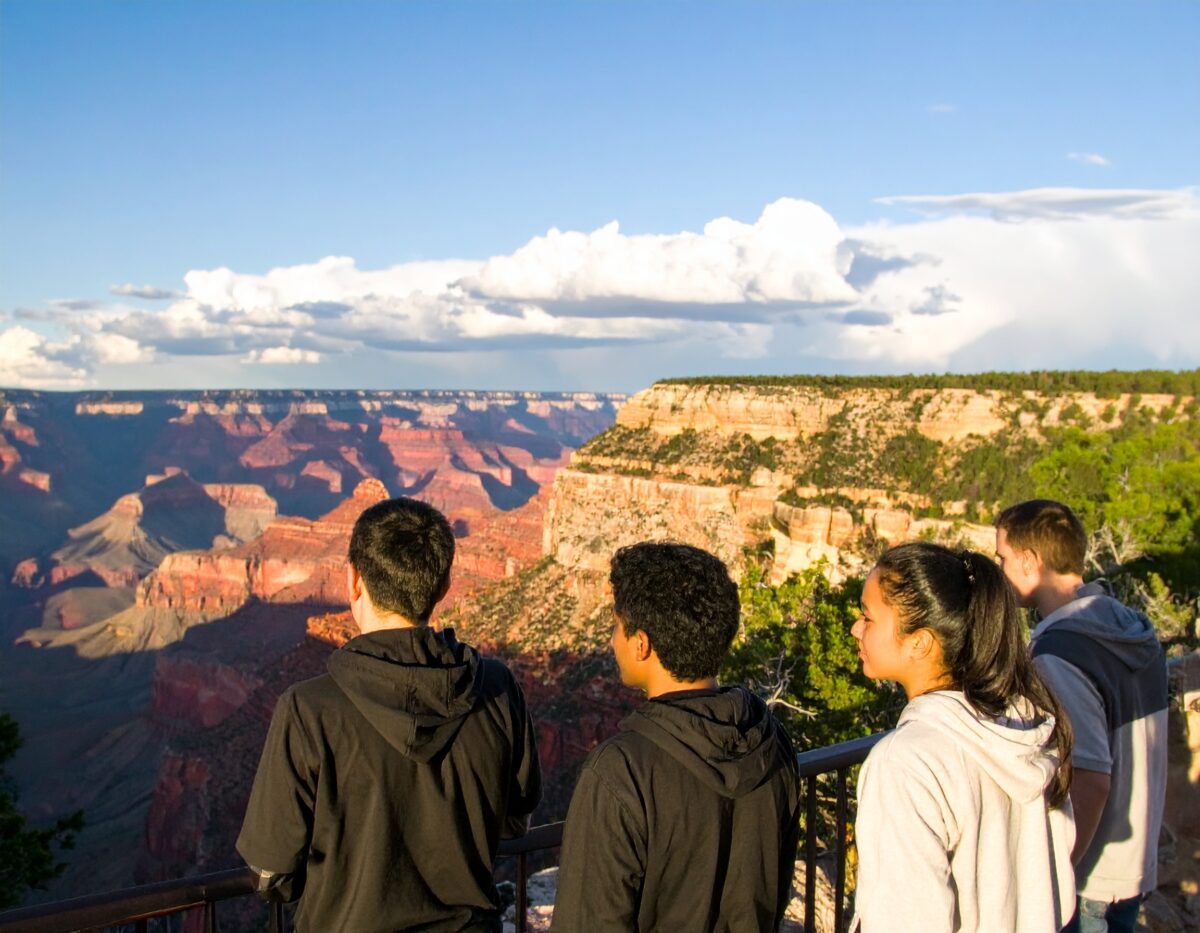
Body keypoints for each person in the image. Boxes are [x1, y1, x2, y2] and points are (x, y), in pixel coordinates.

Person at [236, 496, 541, 932]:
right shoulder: (497, 688)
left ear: (353, 580)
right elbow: (515, 820)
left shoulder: (309, 710)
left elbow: (270, 873)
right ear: (444, 586)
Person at [552, 542, 801, 932]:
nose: (611, 640)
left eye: (616, 625)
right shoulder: (771, 743)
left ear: (641, 644)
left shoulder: (621, 772)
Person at [851, 541, 1076, 933]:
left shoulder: (905, 763)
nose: (856, 628)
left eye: (868, 617)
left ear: (919, 642)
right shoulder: (1028, 732)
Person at [996, 499, 1168, 933]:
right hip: (1131, 867)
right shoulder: (1131, 629)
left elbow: (1091, 778)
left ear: (1031, 562)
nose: (999, 570)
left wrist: (1056, 876)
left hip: (1087, 881)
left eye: (1003, 558)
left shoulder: (1060, 656)